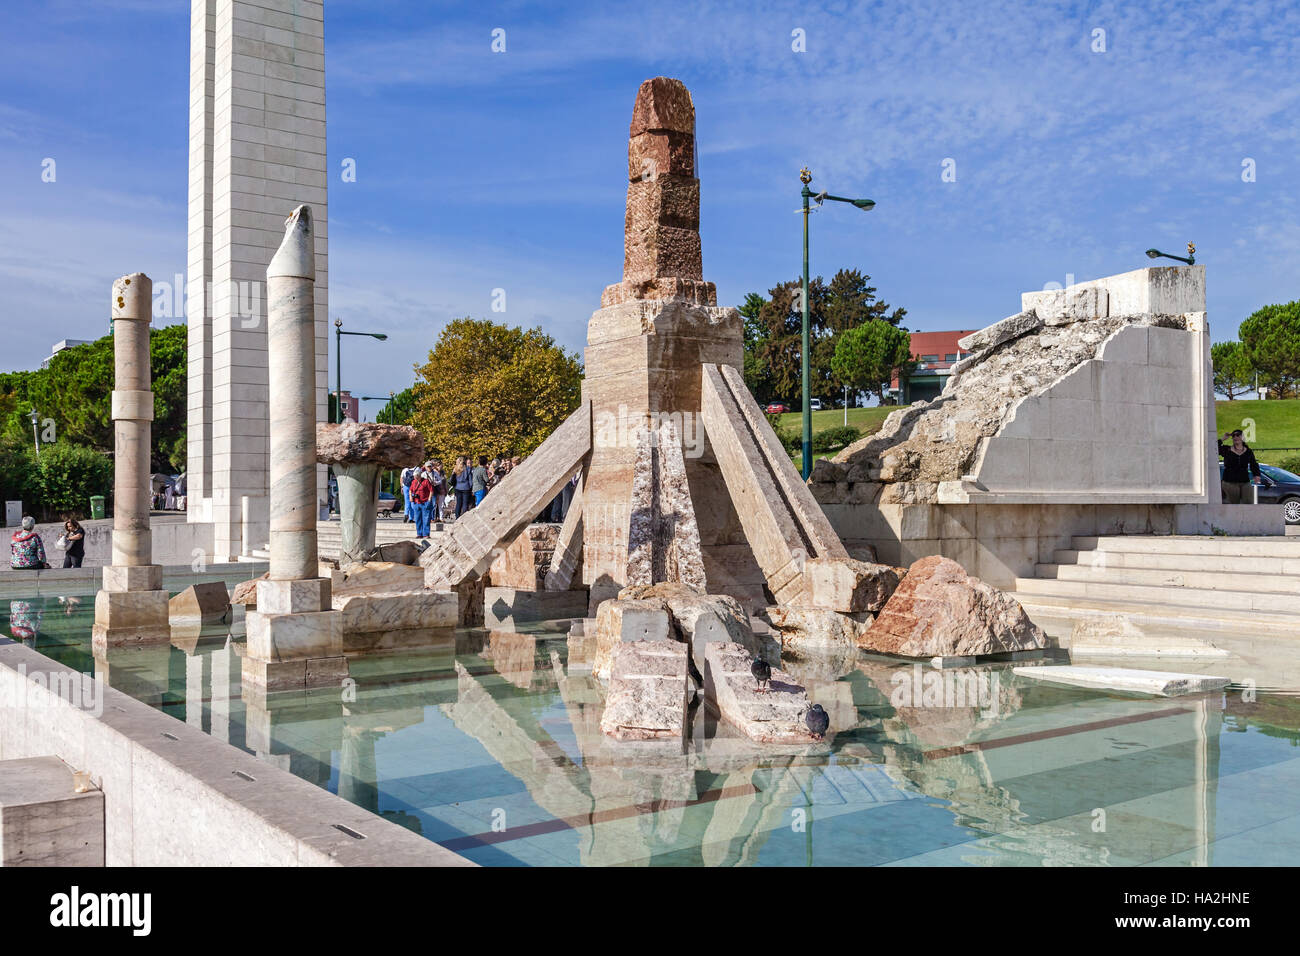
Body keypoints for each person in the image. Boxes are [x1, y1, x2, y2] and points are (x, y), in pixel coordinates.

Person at [1218, 430, 1262, 504]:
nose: (1235, 437)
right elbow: (1212, 447)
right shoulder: (1226, 449)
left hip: (1245, 481)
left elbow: (1253, 463)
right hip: (1229, 481)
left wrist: (1256, 475)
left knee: (1248, 502)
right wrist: (1223, 439)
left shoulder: (1248, 451)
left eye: (1238, 435)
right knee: (1235, 504)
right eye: (1233, 436)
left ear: (1243, 437)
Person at [408, 467, 433, 538]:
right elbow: (410, 490)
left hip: (425, 502)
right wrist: (410, 496)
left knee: (426, 519)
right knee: (418, 519)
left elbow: (431, 491)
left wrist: (429, 500)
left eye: (417, 477)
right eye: (414, 477)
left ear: (420, 475)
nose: (415, 478)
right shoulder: (413, 482)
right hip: (416, 502)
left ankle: (426, 534)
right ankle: (419, 533)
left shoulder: (426, 481)